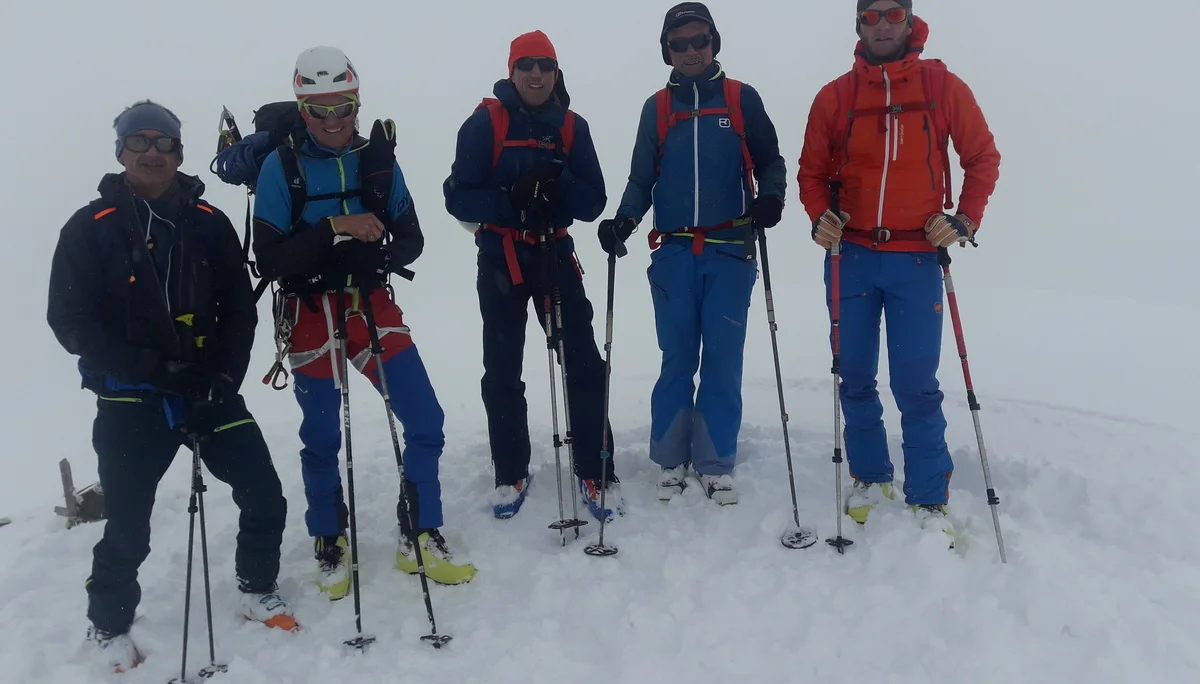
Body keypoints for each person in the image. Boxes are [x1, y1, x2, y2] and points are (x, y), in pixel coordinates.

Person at [47, 100, 293, 673]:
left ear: (180, 153)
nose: (153, 152)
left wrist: (224, 378)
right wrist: (154, 369)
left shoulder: (208, 220)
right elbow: (71, 322)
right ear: (122, 152)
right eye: (140, 141)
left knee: (264, 493)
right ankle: (109, 622)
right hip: (129, 397)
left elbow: (239, 310)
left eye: (165, 142)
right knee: (128, 523)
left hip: (208, 388)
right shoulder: (90, 227)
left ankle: (257, 587)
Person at [252, 46, 476, 592]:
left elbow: (412, 239)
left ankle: (419, 532)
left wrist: (373, 256)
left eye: (344, 106)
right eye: (319, 109)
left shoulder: (376, 160)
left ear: (357, 103)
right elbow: (270, 259)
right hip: (309, 312)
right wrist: (334, 229)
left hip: (368, 304)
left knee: (424, 419)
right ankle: (329, 538)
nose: (333, 120)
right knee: (322, 433)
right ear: (303, 110)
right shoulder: (280, 167)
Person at [797, 0, 1001, 540]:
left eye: (892, 13)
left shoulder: (942, 87)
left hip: (916, 256)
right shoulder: (836, 96)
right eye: (871, 15)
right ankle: (870, 477)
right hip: (851, 256)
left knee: (916, 384)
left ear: (909, 21)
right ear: (858, 23)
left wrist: (963, 220)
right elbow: (811, 171)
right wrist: (819, 217)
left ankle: (928, 499)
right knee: (854, 375)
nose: (882, 23)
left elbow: (982, 157)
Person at [598, 3, 788, 505]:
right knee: (677, 356)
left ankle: (714, 461)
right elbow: (642, 177)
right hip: (675, 252)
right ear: (667, 50)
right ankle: (670, 458)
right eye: (678, 43)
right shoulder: (658, 108)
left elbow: (770, 160)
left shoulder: (741, 99)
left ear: (713, 42)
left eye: (698, 40)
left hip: (730, 250)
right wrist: (625, 220)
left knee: (722, 360)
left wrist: (772, 197)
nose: (690, 51)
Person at [443, 30, 621, 522]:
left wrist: (557, 184)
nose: (536, 73)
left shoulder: (572, 126)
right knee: (502, 366)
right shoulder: (485, 123)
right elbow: (458, 196)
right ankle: (510, 471)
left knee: (583, 361)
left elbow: (593, 201)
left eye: (545, 65)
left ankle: (596, 468)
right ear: (512, 71)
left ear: (556, 72)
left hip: (555, 254)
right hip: (501, 256)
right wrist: (514, 200)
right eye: (526, 65)